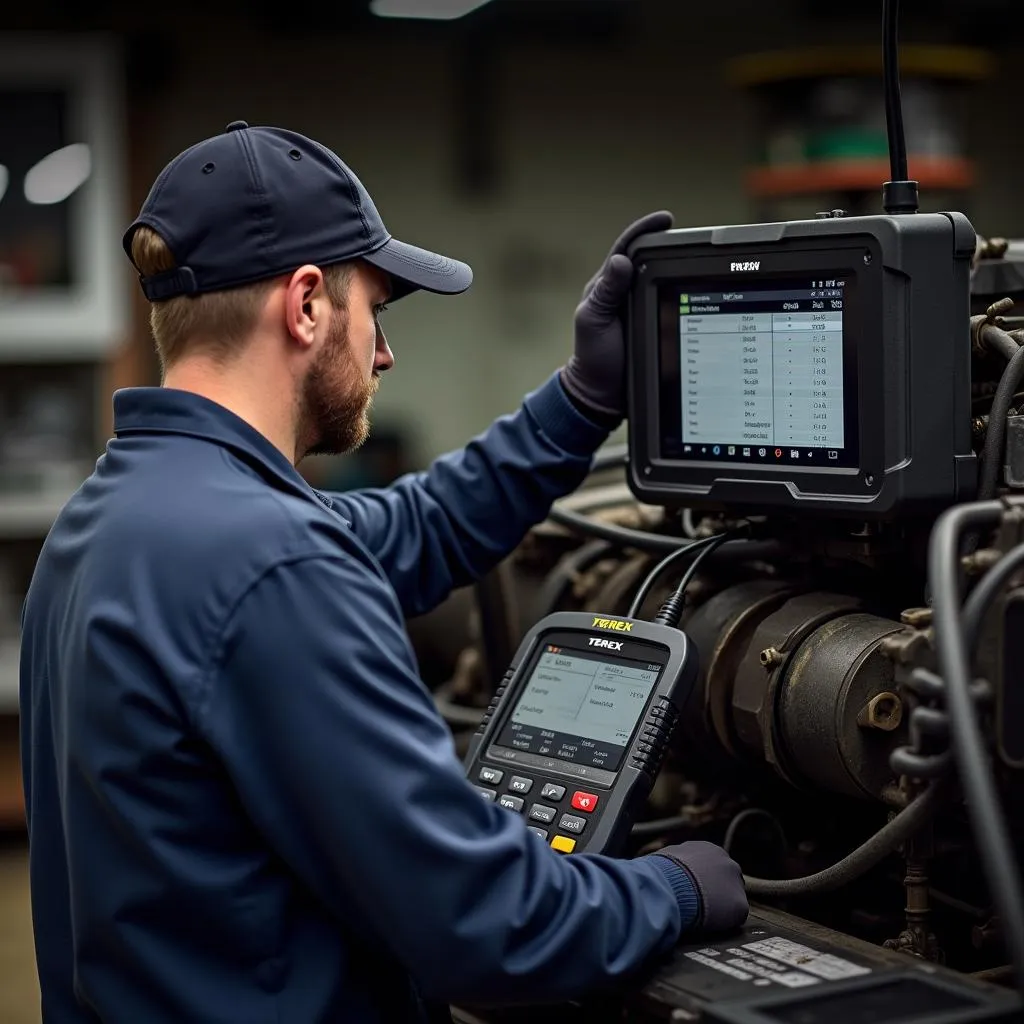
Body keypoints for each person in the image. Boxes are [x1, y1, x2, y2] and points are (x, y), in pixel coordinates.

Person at [20, 121, 748, 1024]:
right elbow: (486, 929)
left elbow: (420, 525)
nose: (386, 354)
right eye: (379, 311)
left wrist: (582, 400)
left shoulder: (113, 517)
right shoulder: (272, 563)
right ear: (307, 302)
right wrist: (676, 887)